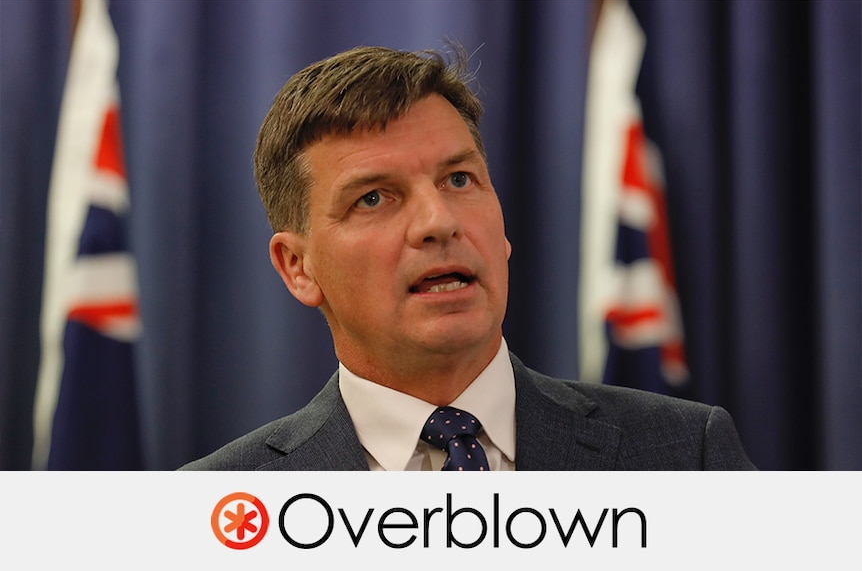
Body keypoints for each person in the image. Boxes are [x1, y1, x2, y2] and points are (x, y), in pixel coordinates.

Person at [181, 45, 755, 471]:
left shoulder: (685, 454)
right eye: (374, 198)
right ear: (298, 268)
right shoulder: (215, 507)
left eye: (459, 179)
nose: (439, 222)